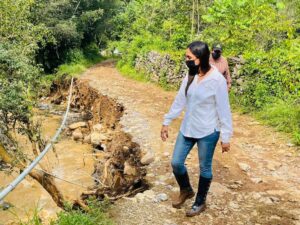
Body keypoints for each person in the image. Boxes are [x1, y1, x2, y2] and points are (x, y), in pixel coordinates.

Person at [160, 41, 233, 217]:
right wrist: (167, 121)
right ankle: (186, 190)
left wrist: (225, 136)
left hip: (208, 130)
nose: (186, 60)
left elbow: (224, 109)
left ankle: (200, 202)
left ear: (200, 58)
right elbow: (180, 100)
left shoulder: (217, 80)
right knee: (176, 163)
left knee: (205, 168)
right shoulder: (190, 75)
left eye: (189, 58)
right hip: (188, 127)